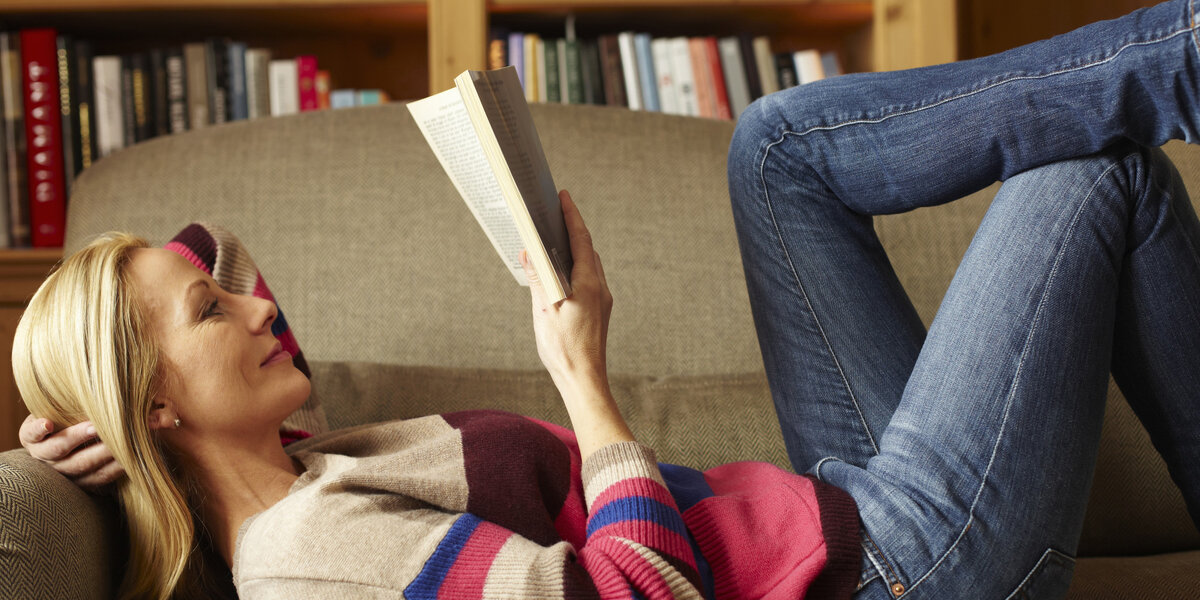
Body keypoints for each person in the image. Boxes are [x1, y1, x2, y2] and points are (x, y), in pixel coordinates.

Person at [16, 0, 1200, 597]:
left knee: (776, 151)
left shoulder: (300, 467)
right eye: (211, 313)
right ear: (159, 402)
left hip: (828, 514)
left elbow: (209, 250)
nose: (255, 305)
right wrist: (582, 376)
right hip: (891, 567)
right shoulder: (313, 555)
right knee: (1091, 178)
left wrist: (104, 427)